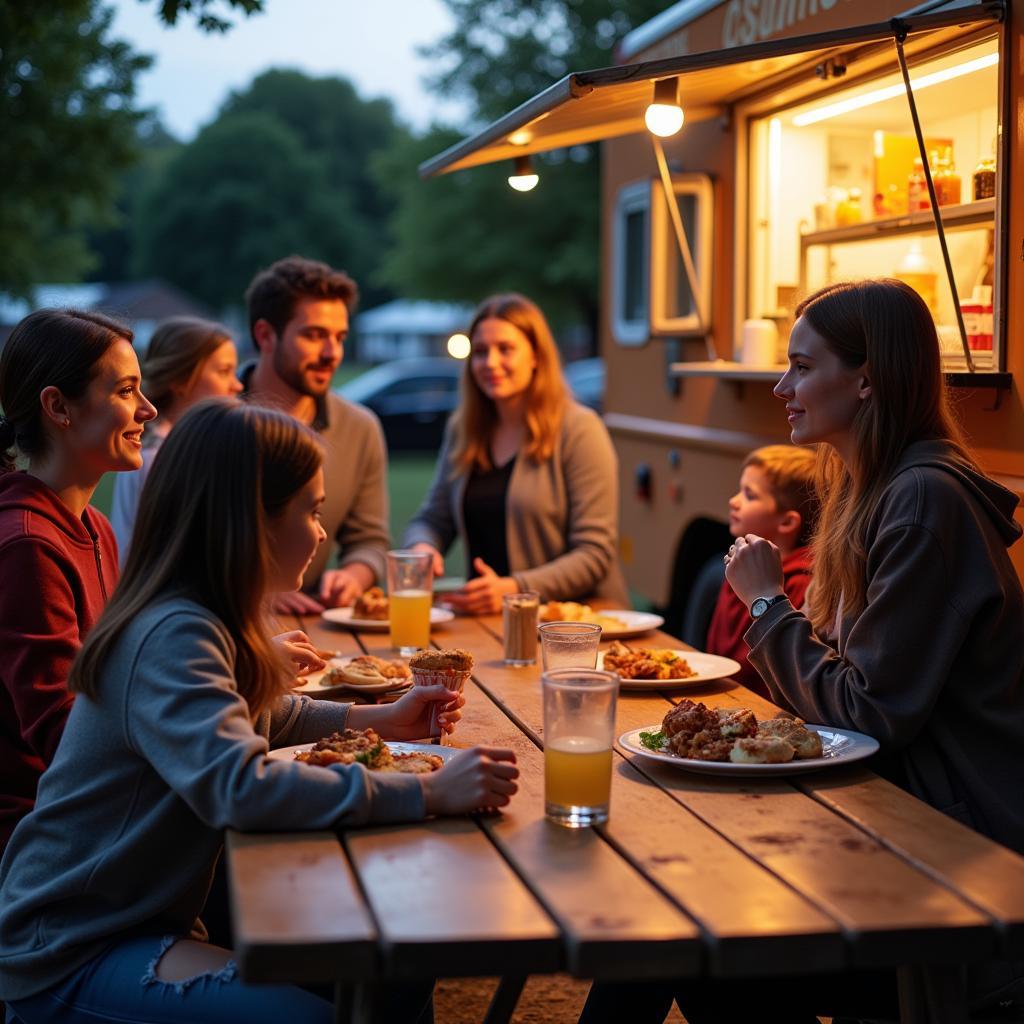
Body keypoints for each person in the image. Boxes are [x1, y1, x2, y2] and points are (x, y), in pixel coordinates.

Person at [579, 278, 1024, 1022]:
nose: (782, 385)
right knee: (677, 917)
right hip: (885, 818)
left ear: (867, 378)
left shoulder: (923, 504)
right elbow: (842, 689)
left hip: (955, 861)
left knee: (675, 934)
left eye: (802, 366)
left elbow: (869, 710)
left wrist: (764, 603)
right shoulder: (875, 490)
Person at [0, 400, 519, 1024]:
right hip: (73, 948)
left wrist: (381, 721)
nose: (323, 532)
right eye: (312, 510)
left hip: (132, 921)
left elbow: (266, 718)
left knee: (391, 977)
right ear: (251, 520)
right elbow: (239, 787)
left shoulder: (205, 617)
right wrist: (428, 793)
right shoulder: (175, 634)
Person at [0, 308, 157, 852]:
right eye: (125, 391)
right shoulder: (26, 545)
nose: (148, 409)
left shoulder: (94, 526)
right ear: (57, 406)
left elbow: (111, 680)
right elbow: (66, 738)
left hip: (101, 811)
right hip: (44, 841)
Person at [404, 293, 628, 613]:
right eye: (480, 352)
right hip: (490, 621)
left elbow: (594, 554)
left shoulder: (580, 429)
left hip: (574, 626)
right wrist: (422, 547)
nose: (490, 363)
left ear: (536, 356)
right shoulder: (464, 430)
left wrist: (515, 589)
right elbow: (431, 519)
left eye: (505, 349)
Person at [243, 254, 389, 614]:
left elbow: (370, 540)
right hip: (218, 623)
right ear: (265, 335)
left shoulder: (360, 427)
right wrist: (258, 592)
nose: (332, 353)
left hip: (312, 623)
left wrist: (355, 575)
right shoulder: (214, 422)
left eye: (339, 337)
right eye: (314, 335)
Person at [110, 316, 243, 561]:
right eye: (224, 372)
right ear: (181, 380)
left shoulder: (170, 448)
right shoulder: (162, 457)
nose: (237, 385)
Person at [705, 444, 816, 697]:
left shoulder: (801, 583)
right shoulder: (741, 568)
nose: (734, 501)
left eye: (749, 495)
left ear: (787, 522)